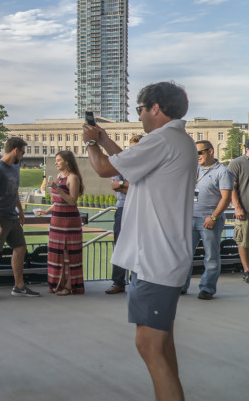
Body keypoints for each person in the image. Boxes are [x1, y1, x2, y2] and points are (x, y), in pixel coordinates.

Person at [83, 81, 195, 401]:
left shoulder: (162, 139)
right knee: (162, 345)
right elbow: (128, 165)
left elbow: (106, 169)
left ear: (155, 109)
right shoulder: (176, 140)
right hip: (165, 257)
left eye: (140, 109)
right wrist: (104, 138)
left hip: (156, 260)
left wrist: (91, 144)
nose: (140, 116)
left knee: (148, 346)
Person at [0, 137, 40, 302]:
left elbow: (14, 191)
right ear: (15, 150)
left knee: (20, 248)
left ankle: (19, 287)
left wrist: (20, 211)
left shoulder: (15, 167)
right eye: (22, 152)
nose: (23, 155)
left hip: (12, 216)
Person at [181, 140, 233, 299]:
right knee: (184, 255)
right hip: (190, 218)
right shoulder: (193, 170)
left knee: (211, 256)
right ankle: (181, 286)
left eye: (200, 152)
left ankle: (207, 288)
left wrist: (214, 217)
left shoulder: (222, 172)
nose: (197, 156)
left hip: (210, 220)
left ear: (211, 151)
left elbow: (226, 198)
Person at [37, 151, 85, 295]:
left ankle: (69, 286)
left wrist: (57, 189)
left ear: (67, 162)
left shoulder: (73, 178)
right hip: (57, 220)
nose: (56, 163)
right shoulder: (59, 177)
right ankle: (59, 283)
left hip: (69, 222)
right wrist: (47, 211)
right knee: (57, 254)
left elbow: (72, 201)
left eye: (59, 160)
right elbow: (58, 201)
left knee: (68, 254)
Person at [105, 134, 142, 295]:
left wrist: (124, 185)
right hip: (123, 208)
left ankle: (137, 281)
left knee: (140, 246)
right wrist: (135, 186)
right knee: (120, 245)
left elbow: (146, 187)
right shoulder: (121, 165)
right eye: (131, 148)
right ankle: (118, 282)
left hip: (141, 208)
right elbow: (115, 186)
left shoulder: (145, 165)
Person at [228, 139, 249, 283]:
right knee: (244, 242)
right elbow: (231, 188)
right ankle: (247, 270)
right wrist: (237, 207)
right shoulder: (237, 163)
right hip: (245, 211)